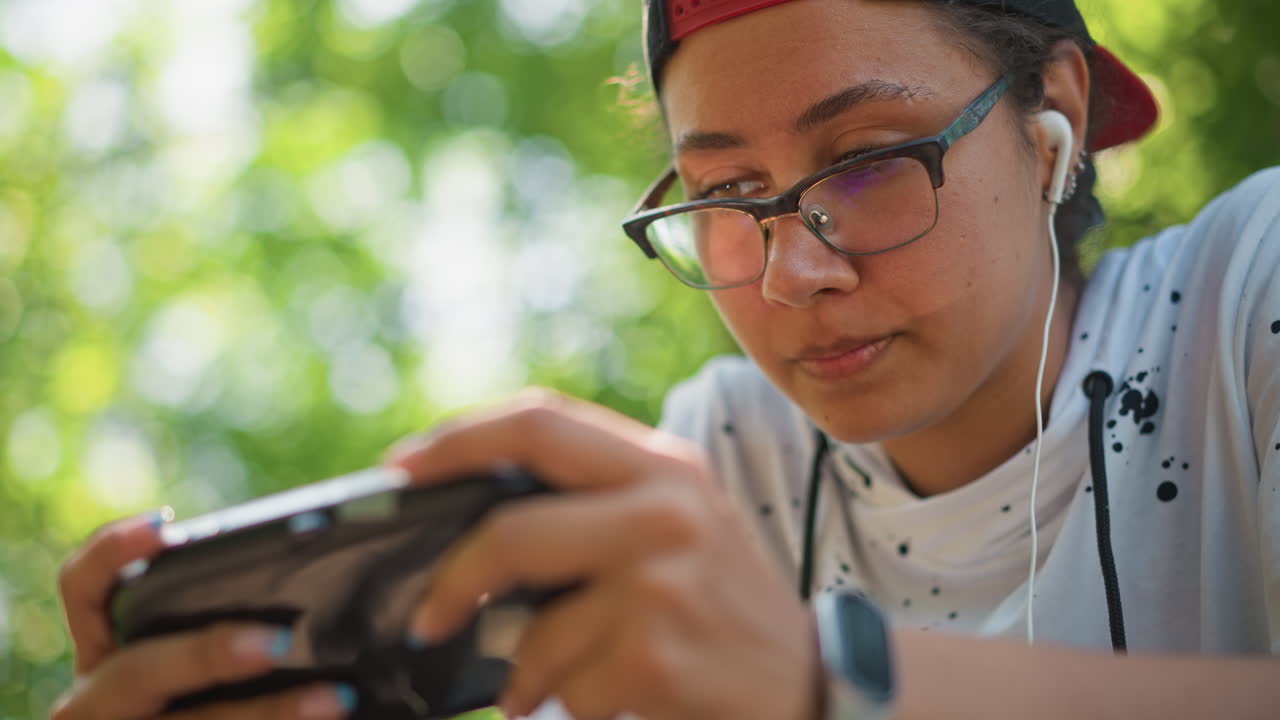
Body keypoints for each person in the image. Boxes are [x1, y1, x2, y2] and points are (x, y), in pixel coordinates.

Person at [52, 0, 1280, 718]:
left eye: (864, 161)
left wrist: (828, 681)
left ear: (1049, 115)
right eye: (726, 193)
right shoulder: (723, 458)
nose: (793, 270)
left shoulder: (1245, 295)